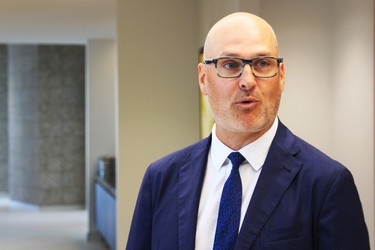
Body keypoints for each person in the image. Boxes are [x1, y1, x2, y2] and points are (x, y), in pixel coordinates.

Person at [126, 12, 370, 250]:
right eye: (230, 65)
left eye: (262, 64)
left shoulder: (327, 184)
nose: (248, 81)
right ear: (203, 79)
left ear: (281, 76)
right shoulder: (161, 178)